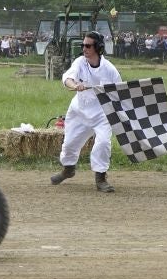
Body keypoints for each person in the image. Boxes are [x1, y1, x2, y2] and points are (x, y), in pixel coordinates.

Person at [51, 30, 122, 193]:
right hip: (79, 111)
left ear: (98, 48)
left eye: (88, 46)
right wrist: (75, 86)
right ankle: (68, 170)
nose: (84, 48)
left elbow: (118, 92)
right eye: (83, 45)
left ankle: (101, 178)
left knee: (103, 143)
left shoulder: (110, 70)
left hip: (101, 114)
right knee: (69, 144)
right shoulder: (80, 62)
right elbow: (68, 78)